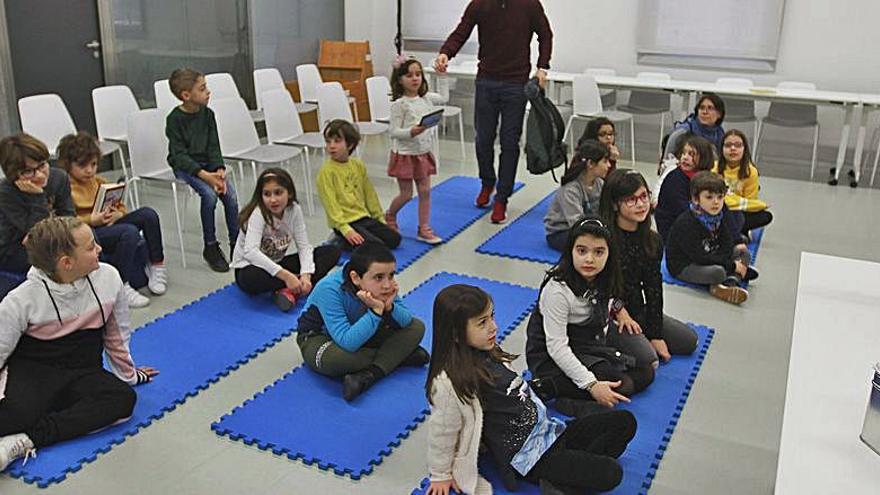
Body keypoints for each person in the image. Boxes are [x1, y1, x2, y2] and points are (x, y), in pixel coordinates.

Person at [425, 284, 636, 495]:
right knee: (611, 473)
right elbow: (442, 431)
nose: (493, 327)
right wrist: (440, 475)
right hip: (530, 458)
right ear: (456, 334)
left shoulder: (489, 351)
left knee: (625, 422)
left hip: (551, 432)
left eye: (492, 317)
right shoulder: (449, 383)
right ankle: (560, 480)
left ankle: (562, 479)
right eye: (482, 323)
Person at [0, 216, 158, 471]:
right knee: (15, 416)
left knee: (122, 400)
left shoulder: (109, 277)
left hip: (83, 370)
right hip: (35, 371)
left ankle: (24, 440)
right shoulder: (21, 300)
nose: (100, 249)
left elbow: (117, 335)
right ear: (67, 263)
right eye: (91, 247)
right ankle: (26, 424)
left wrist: (129, 375)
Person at [434, 0, 553, 224]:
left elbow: (545, 35)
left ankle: (502, 197)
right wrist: (445, 54)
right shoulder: (479, 4)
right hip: (486, 80)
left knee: (509, 142)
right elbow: (461, 32)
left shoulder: (529, 4)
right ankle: (487, 182)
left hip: (516, 84)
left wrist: (542, 67)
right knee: (483, 139)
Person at [526, 217, 656, 416]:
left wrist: (620, 311)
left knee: (647, 370)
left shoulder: (605, 275)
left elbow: (611, 298)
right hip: (552, 353)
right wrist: (592, 384)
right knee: (624, 384)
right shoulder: (557, 291)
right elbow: (557, 347)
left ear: (609, 254)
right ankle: (555, 390)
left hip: (591, 342)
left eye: (598, 252)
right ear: (571, 251)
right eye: (581, 251)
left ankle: (572, 390)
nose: (589, 259)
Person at [295, 243, 427, 401]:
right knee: (338, 360)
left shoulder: (380, 284)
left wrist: (389, 306)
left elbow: (407, 321)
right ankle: (396, 356)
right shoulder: (328, 289)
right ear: (356, 278)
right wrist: (376, 311)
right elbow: (347, 342)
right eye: (379, 277)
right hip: (319, 338)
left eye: (391, 275)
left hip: (360, 330)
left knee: (417, 327)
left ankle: (369, 375)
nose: (387, 285)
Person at [57, 132, 167, 308]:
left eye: (93, 164)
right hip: (91, 231)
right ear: (68, 165)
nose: (89, 170)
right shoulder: (64, 188)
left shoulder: (98, 181)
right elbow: (65, 221)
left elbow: (119, 205)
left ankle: (156, 265)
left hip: (108, 223)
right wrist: (91, 220)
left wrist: (119, 214)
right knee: (129, 232)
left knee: (148, 214)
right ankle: (121, 285)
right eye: (82, 165)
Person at [598, 169, 698, 363]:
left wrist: (655, 333)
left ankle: (637, 337)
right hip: (604, 310)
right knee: (649, 360)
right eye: (631, 199)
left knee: (689, 342)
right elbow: (598, 285)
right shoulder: (603, 239)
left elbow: (653, 288)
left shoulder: (652, 240)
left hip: (636, 307)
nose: (641, 204)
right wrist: (620, 311)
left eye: (644, 196)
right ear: (614, 204)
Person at [231, 168, 340, 312]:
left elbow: (304, 246)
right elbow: (251, 252)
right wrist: (286, 276)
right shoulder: (258, 214)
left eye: (278, 192)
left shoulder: (294, 210)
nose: (273, 199)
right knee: (252, 278)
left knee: (332, 251)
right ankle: (295, 285)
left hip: (276, 264)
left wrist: (306, 274)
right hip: (251, 268)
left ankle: (291, 289)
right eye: (267, 194)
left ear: (289, 193)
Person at [165, 68, 239, 272]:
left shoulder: (208, 115)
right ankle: (211, 246)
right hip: (187, 167)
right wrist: (205, 176)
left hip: (208, 166)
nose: (208, 92)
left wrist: (219, 168)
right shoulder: (174, 119)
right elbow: (179, 155)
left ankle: (237, 244)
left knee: (230, 197)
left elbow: (214, 146)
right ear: (186, 95)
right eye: (202, 88)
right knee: (209, 195)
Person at [665, 172, 757, 305]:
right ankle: (730, 278)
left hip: (711, 253)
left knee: (743, 252)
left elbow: (727, 242)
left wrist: (728, 259)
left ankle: (730, 281)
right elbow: (700, 257)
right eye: (709, 197)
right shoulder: (686, 222)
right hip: (686, 265)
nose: (716, 202)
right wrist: (730, 265)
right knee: (717, 272)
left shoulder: (718, 216)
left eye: (720, 197)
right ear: (696, 199)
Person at [317, 119, 401, 251]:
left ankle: (354, 239)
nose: (331, 146)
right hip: (345, 222)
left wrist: (379, 218)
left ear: (350, 145)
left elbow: (369, 194)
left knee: (395, 239)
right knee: (375, 248)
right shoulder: (326, 172)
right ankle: (340, 239)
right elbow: (330, 204)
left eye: (337, 141)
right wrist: (345, 229)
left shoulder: (358, 165)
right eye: (328, 141)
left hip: (362, 217)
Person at [385, 56, 442, 245]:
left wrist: (441, 75)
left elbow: (440, 99)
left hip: (423, 153)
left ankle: (424, 228)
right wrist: (411, 132)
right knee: (406, 194)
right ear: (400, 79)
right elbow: (393, 131)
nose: (415, 78)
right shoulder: (399, 104)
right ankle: (390, 215)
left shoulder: (425, 100)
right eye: (409, 75)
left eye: (418, 74)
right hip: (405, 155)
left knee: (425, 191)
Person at [0, 133, 75, 274]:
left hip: (55, 238)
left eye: (42, 166)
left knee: (89, 239)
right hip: (14, 249)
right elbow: (35, 233)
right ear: (14, 175)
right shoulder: (6, 193)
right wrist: (37, 197)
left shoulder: (59, 177)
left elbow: (69, 216)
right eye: (28, 171)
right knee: (57, 257)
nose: (40, 175)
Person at [654, 135, 744, 242]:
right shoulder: (675, 178)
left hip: (702, 217)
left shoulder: (706, 177)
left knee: (736, 216)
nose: (685, 157)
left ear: (703, 157)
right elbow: (683, 211)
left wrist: (737, 241)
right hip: (676, 226)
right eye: (684, 153)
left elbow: (722, 206)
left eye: (691, 154)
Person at [544, 140, 611, 251]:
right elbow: (576, 224)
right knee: (600, 245)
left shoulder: (599, 183)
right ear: (590, 164)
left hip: (588, 226)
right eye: (605, 161)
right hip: (562, 232)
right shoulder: (570, 190)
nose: (608, 165)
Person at [714, 129, 773, 237]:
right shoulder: (714, 168)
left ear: (744, 149)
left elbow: (750, 203)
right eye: (728, 145)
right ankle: (738, 232)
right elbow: (717, 200)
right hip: (718, 209)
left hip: (739, 211)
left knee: (765, 216)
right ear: (721, 149)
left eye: (737, 145)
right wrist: (760, 204)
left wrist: (733, 200)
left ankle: (732, 231)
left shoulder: (751, 172)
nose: (733, 149)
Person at [662, 93, 726, 158]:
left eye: (710, 108)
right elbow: (667, 161)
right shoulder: (682, 132)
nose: (705, 112)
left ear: (719, 114)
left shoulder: (720, 134)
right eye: (702, 108)